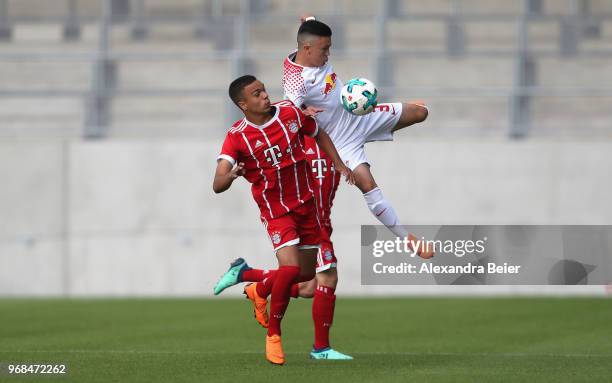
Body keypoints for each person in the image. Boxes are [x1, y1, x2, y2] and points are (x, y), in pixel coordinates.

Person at [213, 75, 353, 365]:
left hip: (307, 205)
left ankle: (255, 283)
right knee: (289, 269)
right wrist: (233, 174)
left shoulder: (289, 112)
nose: (264, 96)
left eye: (264, 90)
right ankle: (274, 335)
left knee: (303, 277)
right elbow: (217, 183)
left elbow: (318, 133)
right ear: (243, 104)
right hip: (277, 212)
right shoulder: (237, 136)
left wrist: (339, 164)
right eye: (256, 94)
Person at [283, 17, 434, 258]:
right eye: (325, 49)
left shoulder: (305, 50)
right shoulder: (296, 82)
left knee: (421, 112)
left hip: (361, 116)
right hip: (342, 141)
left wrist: (309, 20)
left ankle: (395, 116)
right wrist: (302, 112)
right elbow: (288, 112)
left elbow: (309, 28)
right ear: (308, 49)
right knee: (367, 184)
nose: (328, 54)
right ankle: (408, 239)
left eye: (329, 47)